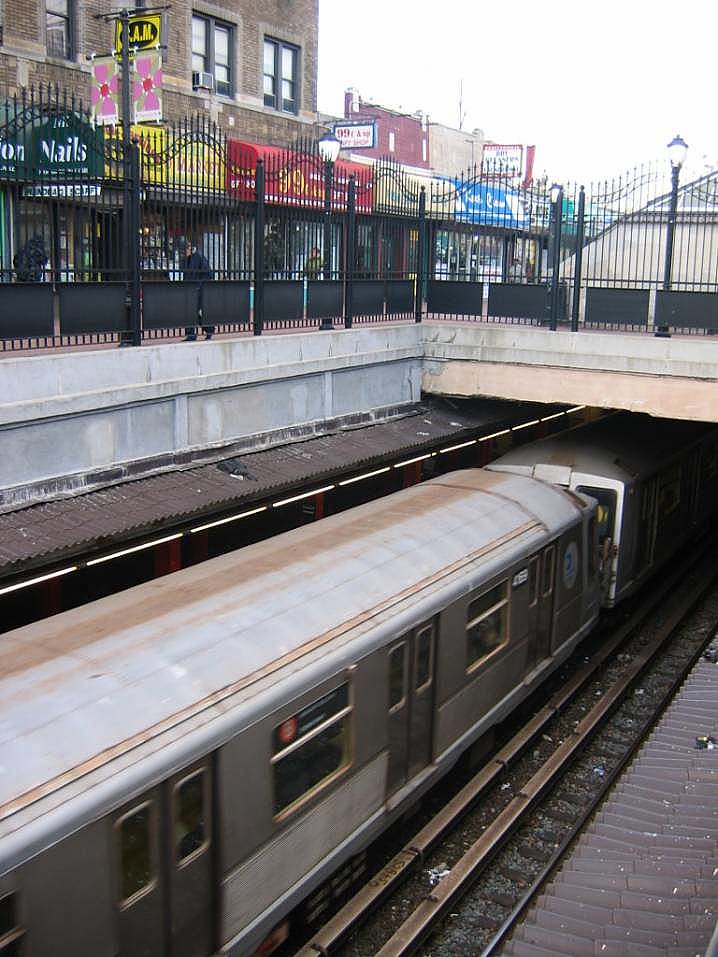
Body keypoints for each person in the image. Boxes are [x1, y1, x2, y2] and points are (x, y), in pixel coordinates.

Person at [183, 242, 214, 340]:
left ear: (190, 249)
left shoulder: (199, 257)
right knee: (190, 312)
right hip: (190, 289)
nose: (184, 253)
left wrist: (199, 286)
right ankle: (196, 332)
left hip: (198, 289)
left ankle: (207, 329)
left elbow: (208, 274)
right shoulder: (188, 259)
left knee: (193, 312)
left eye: (185, 250)